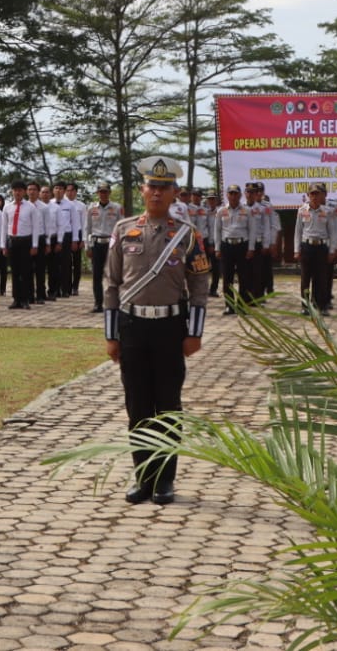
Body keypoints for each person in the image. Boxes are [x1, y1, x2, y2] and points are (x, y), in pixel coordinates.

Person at [102, 156, 211, 506]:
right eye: (152, 185)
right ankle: (143, 478)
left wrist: (194, 333)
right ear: (142, 189)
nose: (157, 192)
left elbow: (199, 283)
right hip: (133, 327)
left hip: (170, 327)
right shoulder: (123, 230)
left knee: (166, 405)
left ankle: (165, 480)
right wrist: (111, 334)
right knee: (137, 407)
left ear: (175, 193)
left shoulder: (188, 234)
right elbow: (111, 282)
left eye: (165, 187)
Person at [294, 182, 337, 314]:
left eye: (317, 194)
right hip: (306, 247)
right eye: (312, 194)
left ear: (322, 195)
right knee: (305, 279)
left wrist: (332, 250)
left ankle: (320, 306)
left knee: (320, 278)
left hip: (321, 247)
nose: (314, 197)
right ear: (308, 195)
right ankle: (305, 306)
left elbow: (332, 232)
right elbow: (298, 231)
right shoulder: (302, 210)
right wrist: (296, 250)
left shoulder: (327, 211)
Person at [215, 185, 255, 314]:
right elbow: (217, 231)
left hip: (242, 246)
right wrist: (217, 248)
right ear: (227, 195)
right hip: (226, 246)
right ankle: (229, 305)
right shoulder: (221, 211)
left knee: (244, 278)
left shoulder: (247, 211)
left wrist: (251, 248)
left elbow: (252, 231)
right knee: (227, 278)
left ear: (240, 195)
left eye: (235, 193)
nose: (233, 196)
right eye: (231, 193)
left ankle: (242, 305)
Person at [87, 183, 124, 313]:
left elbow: (121, 228)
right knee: (97, 275)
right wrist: (88, 246)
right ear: (97, 193)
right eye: (101, 192)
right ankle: (98, 303)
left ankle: (115, 302)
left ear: (109, 193)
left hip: (111, 244)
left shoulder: (117, 208)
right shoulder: (92, 208)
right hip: (96, 243)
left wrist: (120, 247)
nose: (103, 194)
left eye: (105, 192)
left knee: (114, 274)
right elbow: (88, 228)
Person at [5, 180, 41, 309]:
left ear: (24, 192)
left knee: (26, 272)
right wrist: (3, 245)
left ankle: (26, 299)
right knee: (14, 272)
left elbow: (36, 228)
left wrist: (35, 245)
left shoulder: (31, 207)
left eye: (20, 190)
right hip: (12, 241)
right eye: (15, 190)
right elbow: (4, 227)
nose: (17, 193)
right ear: (12, 192)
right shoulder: (7, 207)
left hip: (26, 241)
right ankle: (16, 299)